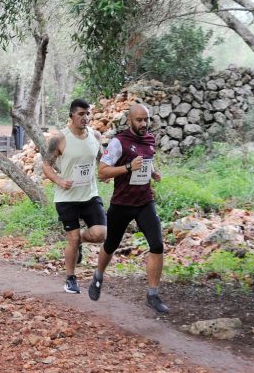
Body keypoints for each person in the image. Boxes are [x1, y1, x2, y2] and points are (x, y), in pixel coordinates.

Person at [87, 103, 169, 313]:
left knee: (157, 245)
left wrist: (153, 172)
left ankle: (153, 294)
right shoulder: (118, 142)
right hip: (122, 204)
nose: (143, 124)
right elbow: (103, 172)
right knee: (111, 245)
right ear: (130, 120)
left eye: (146, 120)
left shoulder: (150, 140)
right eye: (139, 120)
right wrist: (127, 167)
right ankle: (98, 276)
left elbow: (146, 161)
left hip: (144, 201)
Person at [42, 98, 107, 294]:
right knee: (72, 239)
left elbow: (101, 160)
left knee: (100, 234)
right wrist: (59, 181)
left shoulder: (95, 136)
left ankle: (80, 241)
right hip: (66, 197)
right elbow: (46, 165)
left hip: (89, 195)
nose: (85, 117)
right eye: (81, 114)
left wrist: (105, 174)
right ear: (71, 115)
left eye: (88, 114)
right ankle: (70, 278)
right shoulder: (59, 138)